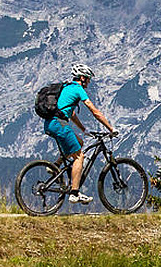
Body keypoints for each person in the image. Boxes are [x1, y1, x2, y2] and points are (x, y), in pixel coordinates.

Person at [43, 63, 116, 204]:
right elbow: (94, 111)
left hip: (50, 123)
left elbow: (73, 114)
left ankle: (55, 166)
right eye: (88, 79)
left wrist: (84, 130)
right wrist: (110, 129)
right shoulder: (78, 89)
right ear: (82, 78)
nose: (89, 82)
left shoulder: (66, 87)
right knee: (79, 156)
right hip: (59, 124)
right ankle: (74, 193)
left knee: (80, 143)